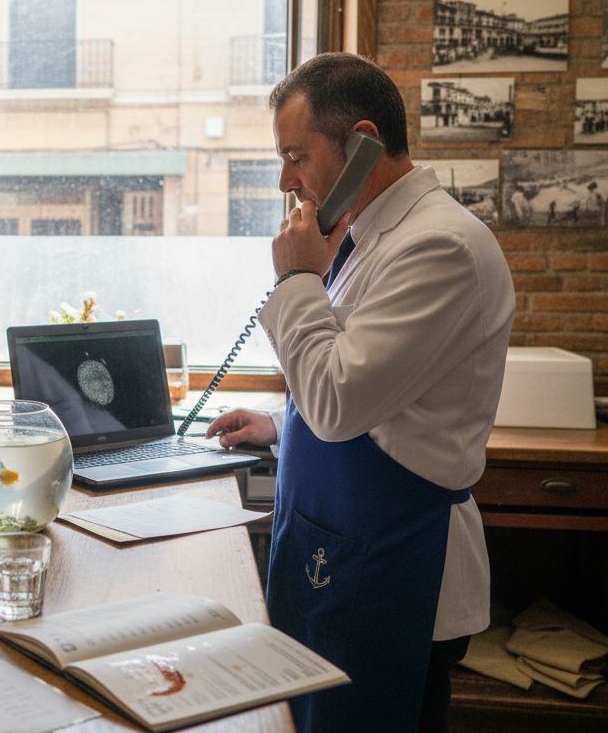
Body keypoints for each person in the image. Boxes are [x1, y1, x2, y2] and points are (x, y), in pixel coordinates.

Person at [205, 53, 515, 733]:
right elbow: (372, 386)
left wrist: (297, 280)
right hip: (341, 551)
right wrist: (281, 424)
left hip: (398, 567)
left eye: (296, 156)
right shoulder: (366, 237)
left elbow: (339, 403)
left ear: (363, 142)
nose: (286, 181)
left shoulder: (440, 247)